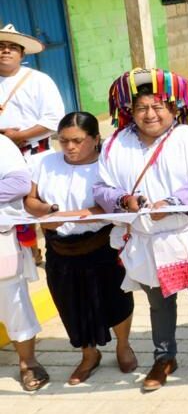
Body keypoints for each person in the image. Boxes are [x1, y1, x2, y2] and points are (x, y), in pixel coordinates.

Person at [93, 68, 188, 391]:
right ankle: (165, 356)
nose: (150, 114)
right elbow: (101, 189)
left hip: (186, 234)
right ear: (130, 112)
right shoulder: (115, 145)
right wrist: (123, 200)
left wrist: (174, 203)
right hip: (145, 237)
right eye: (141, 108)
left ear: (173, 108)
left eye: (157, 106)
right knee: (158, 301)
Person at [23, 112, 136, 385]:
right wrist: (48, 211)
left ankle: (123, 346)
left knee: (115, 298)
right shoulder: (44, 163)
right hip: (60, 248)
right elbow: (30, 200)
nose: (70, 147)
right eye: (63, 141)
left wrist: (73, 215)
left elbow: (113, 205)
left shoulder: (108, 165)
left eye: (77, 141)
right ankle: (89, 355)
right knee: (70, 304)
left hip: (101, 245)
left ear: (96, 139)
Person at [0, 24, 66, 265]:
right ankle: (24, 255)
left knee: (40, 205)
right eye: (0, 47)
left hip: (36, 155)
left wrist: (21, 136)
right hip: (2, 160)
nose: (5, 51)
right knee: (8, 211)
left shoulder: (39, 81)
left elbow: (54, 119)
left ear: (22, 54)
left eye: (11, 48)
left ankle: (52, 252)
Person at [0, 134, 46, 391]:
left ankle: (28, 363)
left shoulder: (2, 145)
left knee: (13, 302)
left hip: (2, 239)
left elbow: (19, 184)